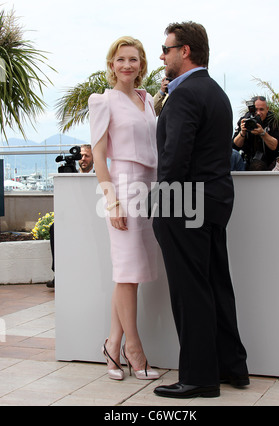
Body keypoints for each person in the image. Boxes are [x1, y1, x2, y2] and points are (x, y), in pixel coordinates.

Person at [151, 21, 249, 399]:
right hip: (213, 202)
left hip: (184, 204)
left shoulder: (186, 93)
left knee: (190, 292)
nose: (162, 55)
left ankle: (199, 377)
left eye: (166, 48)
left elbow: (174, 159)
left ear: (185, 51)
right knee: (215, 286)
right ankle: (232, 367)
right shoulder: (215, 92)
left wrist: (162, 204)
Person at [88, 36, 160, 381]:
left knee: (131, 274)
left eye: (133, 59)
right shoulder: (103, 101)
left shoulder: (147, 101)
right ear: (111, 64)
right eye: (121, 59)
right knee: (127, 273)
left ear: (141, 64)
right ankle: (134, 349)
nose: (127, 65)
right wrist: (111, 199)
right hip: (124, 187)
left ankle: (112, 345)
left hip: (151, 189)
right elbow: (99, 155)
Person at [47, 144, 95, 289]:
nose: (83, 159)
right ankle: (59, 273)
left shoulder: (99, 175)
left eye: (87, 155)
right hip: (72, 218)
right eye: (80, 156)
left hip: (92, 219)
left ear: (93, 157)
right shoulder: (69, 175)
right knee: (54, 228)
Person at [233, 96, 279, 170]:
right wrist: (242, 132)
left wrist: (263, 133)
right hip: (247, 161)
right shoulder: (245, 120)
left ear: (267, 109)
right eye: (255, 110)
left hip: (270, 162)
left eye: (261, 109)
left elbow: (275, 146)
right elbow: (235, 146)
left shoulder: (273, 121)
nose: (258, 113)